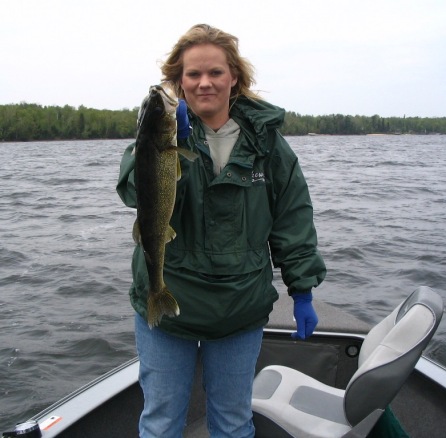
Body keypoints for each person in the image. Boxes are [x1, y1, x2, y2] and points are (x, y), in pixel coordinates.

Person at [116, 24, 326, 438]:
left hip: (238, 309)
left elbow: (293, 220)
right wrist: (156, 140)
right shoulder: (162, 134)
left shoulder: (268, 146)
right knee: (160, 421)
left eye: (215, 72)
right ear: (179, 82)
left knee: (232, 422)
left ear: (234, 77)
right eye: (193, 75)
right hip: (168, 302)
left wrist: (302, 290)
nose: (204, 82)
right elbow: (131, 190)